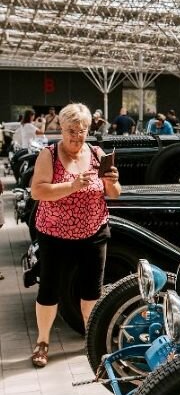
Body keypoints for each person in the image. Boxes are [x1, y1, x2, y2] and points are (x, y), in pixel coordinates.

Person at [29, 103, 121, 368]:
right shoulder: (49, 156)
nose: (76, 136)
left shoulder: (96, 153)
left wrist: (112, 180)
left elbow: (115, 194)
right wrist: (71, 185)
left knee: (91, 291)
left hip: (94, 232)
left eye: (81, 131)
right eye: (71, 130)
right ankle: (43, 342)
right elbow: (38, 191)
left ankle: (91, 341)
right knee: (49, 289)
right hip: (55, 234)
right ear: (61, 128)